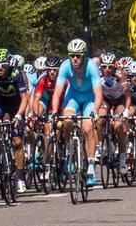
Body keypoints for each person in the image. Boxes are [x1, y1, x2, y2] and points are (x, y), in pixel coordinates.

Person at [50, 39, 103, 187]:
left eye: (78, 56)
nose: (74, 58)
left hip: (89, 98)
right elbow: (58, 92)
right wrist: (54, 111)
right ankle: (69, 150)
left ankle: (91, 167)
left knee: (87, 127)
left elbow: (98, 93)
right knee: (66, 120)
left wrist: (95, 111)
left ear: (84, 56)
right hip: (73, 96)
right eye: (72, 55)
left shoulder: (91, 67)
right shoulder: (65, 66)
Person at [0, 48, 29, 193]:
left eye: (3, 65)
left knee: (17, 141)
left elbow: (25, 98)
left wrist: (18, 115)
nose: (0, 68)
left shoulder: (16, 74)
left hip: (15, 105)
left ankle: (19, 175)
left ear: (9, 65)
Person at [98, 51, 132, 175]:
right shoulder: (97, 75)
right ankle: (100, 146)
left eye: (110, 66)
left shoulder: (120, 75)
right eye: (104, 66)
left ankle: (123, 158)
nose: (107, 69)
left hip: (119, 101)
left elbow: (127, 93)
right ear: (100, 66)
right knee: (101, 116)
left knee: (118, 126)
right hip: (106, 100)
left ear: (114, 65)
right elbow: (95, 93)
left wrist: (127, 109)